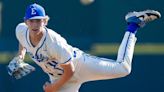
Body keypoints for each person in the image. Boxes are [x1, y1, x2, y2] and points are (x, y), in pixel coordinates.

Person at [7, 3, 161, 92]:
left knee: (124, 68)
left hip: (79, 65)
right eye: (32, 21)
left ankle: (133, 25)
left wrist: (54, 88)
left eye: (38, 21)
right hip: (59, 78)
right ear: (26, 22)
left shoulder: (53, 41)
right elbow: (23, 41)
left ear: (45, 21)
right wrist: (20, 56)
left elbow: (71, 70)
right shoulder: (21, 30)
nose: (35, 24)